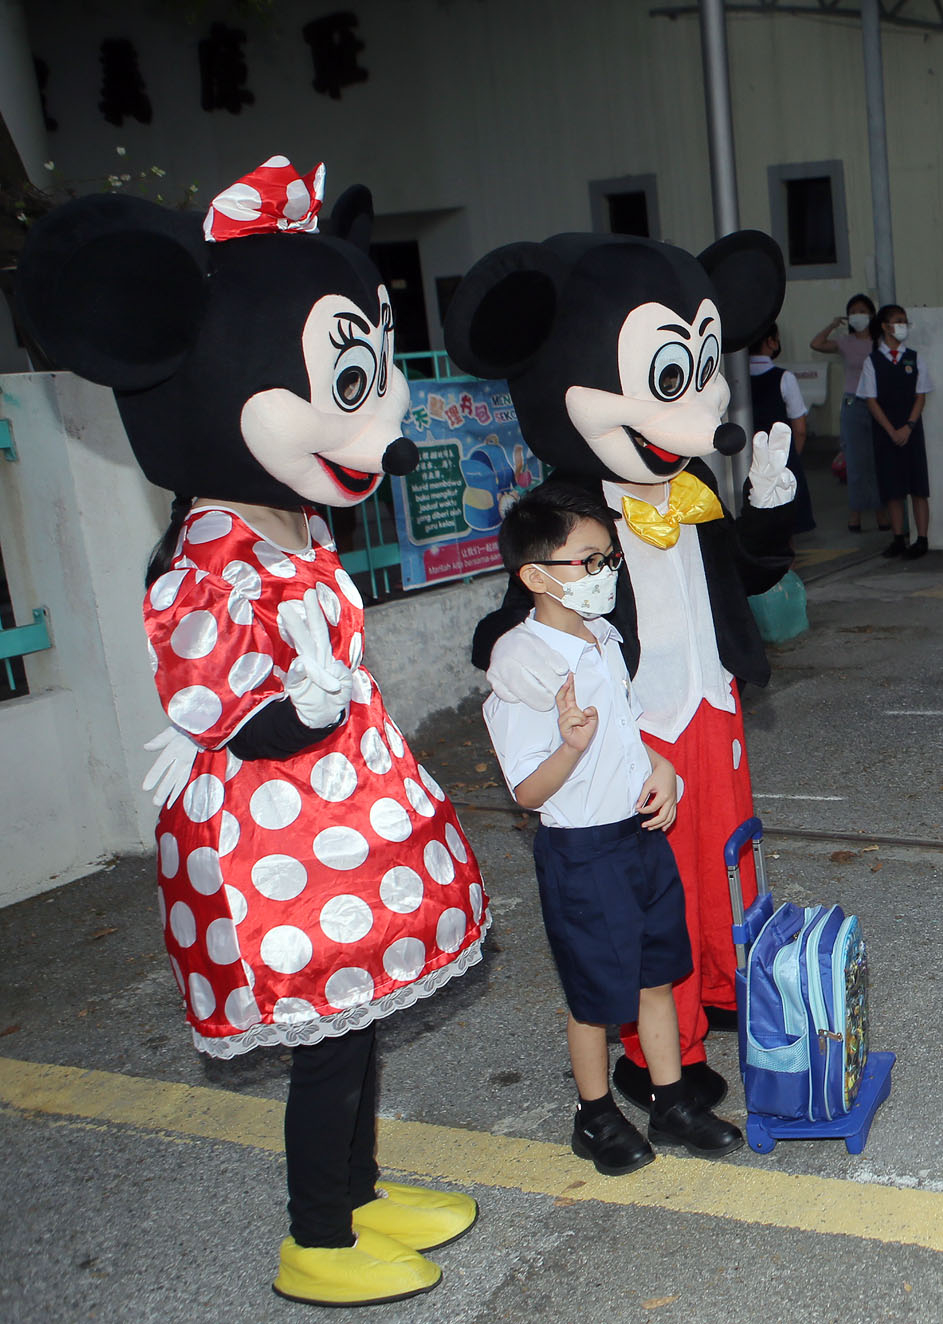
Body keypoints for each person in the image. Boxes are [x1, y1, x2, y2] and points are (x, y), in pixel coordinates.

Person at [21, 161, 486, 1306]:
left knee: (359, 1027)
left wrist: (331, 710)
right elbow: (214, 694)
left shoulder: (293, 520)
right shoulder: (208, 553)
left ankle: (361, 1194)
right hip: (270, 833)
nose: (381, 423)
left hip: (341, 809)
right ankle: (315, 1236)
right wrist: (294, 711)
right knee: (325, 1043)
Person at [483, 488, 746, 1174]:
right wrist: (569, 747)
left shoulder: (602, 637)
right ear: (536, 576)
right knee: (596, 998)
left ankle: (671, 1102)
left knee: (657, 975)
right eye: (589, 560)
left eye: (609, 558)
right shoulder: (522, 665)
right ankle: (595, 1115)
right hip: (582, 851)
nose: (606, 571)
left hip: (638, 837)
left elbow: (627, 729)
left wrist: (663, 771)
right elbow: (527, 790)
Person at [857, 303, 933, 558]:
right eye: (898, 321)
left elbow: (920, 395)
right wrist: (891, 430)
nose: (903, 326)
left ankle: (922, 539)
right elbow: (871, 400)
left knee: (918, 486)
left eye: (904, 321)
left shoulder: (914, 357)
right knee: (893, 487)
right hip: (886, 432)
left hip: (911, 430)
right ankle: (898, 537)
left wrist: (908, 426)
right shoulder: (873, 361)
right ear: (885, 326)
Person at [810, 293, 886, 534]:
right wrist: (833, 325)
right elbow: (816, 343)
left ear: (872, 314)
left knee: (877, 460)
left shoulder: (881, 340)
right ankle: (855, 515)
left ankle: (880, 512)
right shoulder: (845, 341)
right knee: (855, 461)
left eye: (862, 311)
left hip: (877, 403)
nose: (858, 316)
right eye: (853, 312)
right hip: (853, 402)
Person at [746, 328, 812, 532]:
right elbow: (799, 428)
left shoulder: (734, 378)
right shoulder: (784, 378)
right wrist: (793, 457)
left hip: (746, 460)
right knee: (786, 523)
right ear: (771, 342)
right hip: (780, 459)